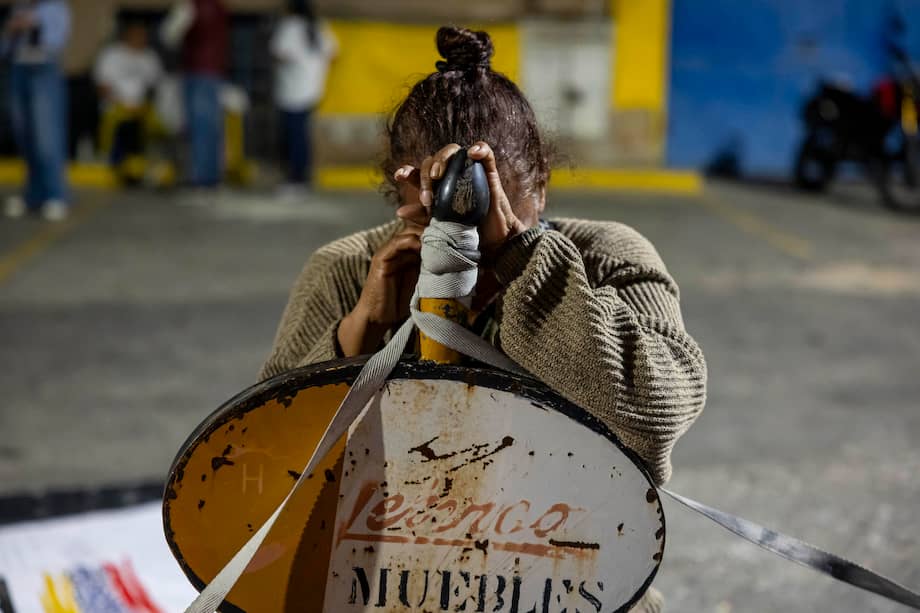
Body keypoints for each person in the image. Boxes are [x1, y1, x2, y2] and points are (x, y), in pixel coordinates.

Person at [259, 27, 707, 613]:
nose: (465, 245)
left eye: (488, 219)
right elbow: (267, 459)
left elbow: (657, 412)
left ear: (540, 188)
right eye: (439, 216)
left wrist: (525, 264)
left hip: (568, 580)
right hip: (389, 582)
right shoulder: (346, 272)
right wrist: (363, 328)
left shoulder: (605, 257)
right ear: (402, 188)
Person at [1, 0, 71, 221]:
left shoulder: (55, 7)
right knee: (25, 136)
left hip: (43, 70)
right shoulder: (18, 8)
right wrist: (11, 31)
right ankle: (33, 194)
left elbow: (56, 42)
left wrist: (34, 25)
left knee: (46, 136)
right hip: (18, 69)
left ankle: (55, 195)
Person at [270, 0, 337, 197]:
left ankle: (296, 180)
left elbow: (279, 53)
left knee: (293, 136)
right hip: (313, 89)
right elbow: (334, 53)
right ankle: (302, 178)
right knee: (301, 135)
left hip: (291, 91)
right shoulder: (319, 26)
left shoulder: (289, 26)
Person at [160, 0, 228, 194]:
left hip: (197, 70)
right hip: (215, 70)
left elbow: (169, 35)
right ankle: (213, 178)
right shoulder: (220, 6)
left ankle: (199, 179)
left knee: (198, 127)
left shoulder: (190, 6)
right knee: (212, 127)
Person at [94, 21, 163, 173]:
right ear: (127, 36)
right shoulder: (112, 55)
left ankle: (149, 164)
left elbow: (154, 87)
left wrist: (143, 105)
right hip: (116, 106)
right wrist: (121, 104)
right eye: (137, 36)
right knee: (119, 122)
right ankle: (112, 161)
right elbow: (102, 86)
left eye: (143, 36)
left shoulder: (149, 57)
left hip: (142, 108)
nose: (141, 39)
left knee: (159, 125)